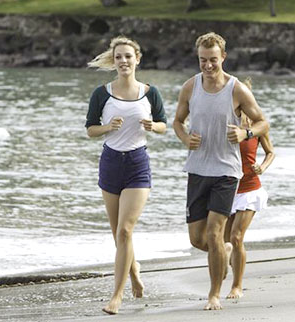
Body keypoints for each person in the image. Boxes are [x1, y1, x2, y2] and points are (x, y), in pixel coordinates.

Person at [173, 32, 269, 310]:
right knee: (198, 239)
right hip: (197, 170)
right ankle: (224, 252)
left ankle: (214, 294)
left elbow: (263, 122)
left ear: (223, 57)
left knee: (216, 233)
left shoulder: (237, 89)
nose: (208, 65)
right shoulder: (190, 87)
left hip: (227, 172)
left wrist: (245, 131)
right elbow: (178, 121)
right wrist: (183, 137)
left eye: (213, 60)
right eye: (203, 60)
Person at [85, 36, 167, 315]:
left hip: (137, 164)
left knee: (125, 230)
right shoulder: (102, 93)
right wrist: (107, 127)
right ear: (114, 60)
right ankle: (133, 273)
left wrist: (152, 126)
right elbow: (90, 129)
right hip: (110, 163)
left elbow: (164, 125)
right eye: (118, 57)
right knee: (118, 234)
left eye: (128, 57)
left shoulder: (150, 92)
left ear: (137, 59)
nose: (123, 61)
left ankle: (116, 297)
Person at [223, 79, 275, 300]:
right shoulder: (224, 122)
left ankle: (237, 286)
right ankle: (223, 265)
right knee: (222, 242)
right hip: (225, 188)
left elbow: (270, 152)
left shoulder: (257, 125)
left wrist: (261, 167)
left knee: (236, 238)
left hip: (249, 188)